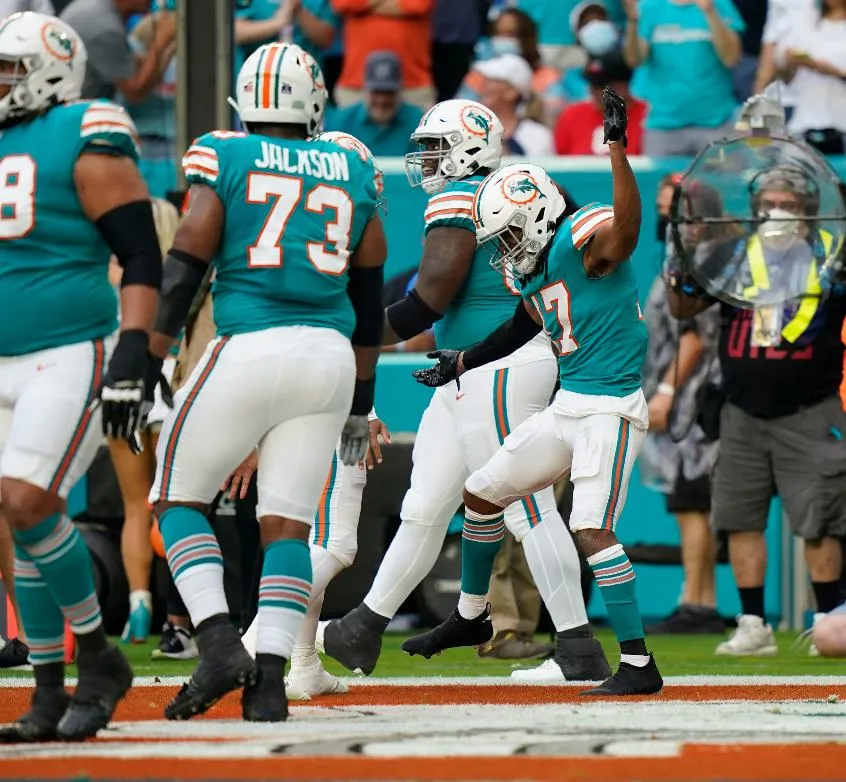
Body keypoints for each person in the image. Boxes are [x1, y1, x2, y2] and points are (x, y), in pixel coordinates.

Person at [319, 98, 611, 685]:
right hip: (471, 371)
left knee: (527, 507)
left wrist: (345, 329)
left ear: (469, 146)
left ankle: (579, 647)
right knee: (424, 506)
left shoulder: (462, 197)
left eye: (434, 148)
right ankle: (366, 625)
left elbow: (427, 299)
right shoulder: (527, 187)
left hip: (499, 368)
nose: (426, 161)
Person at [146, 41, 385, 723]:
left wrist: (147, 354)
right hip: (332, 359)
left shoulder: (225, 153)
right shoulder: (351, 164)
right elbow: (368, 297)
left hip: (251, 341)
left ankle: (221, 642)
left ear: (245, 103)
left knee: (173, 496)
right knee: (287, 525)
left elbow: (187, 259)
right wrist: (362, 405)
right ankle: (271, 680)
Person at [403, 89, 664, 697]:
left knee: (592, 531)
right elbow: (524, 321)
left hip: (610, 410)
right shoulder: (539, 261)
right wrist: (463, 360)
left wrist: (618, 149)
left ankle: (637, 664)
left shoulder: (584, 237)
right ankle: (471, 615)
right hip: (569, 406)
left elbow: (627, 229)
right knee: (483, 491)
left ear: (539, 214)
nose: (506, 246)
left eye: (511, 231)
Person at [0, 12, 163, 740]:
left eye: (9, 68)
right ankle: (46, 690)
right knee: (20, 520)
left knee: (27, 502)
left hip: (70, 347)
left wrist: (135, 350)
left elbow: (140, 252)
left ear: (50, 69)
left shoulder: (84, 129)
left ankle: (97, 656)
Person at [236, 129, 391, 702]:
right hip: (329, 400)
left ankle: (301, 660)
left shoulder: (294, 244)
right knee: (333, 541)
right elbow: (354, 334)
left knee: (305, 531)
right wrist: (363, 409)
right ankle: (260, 634)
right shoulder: (344, 246)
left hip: (287, 392)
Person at [667, 165, 846, 656]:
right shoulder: (731, 255)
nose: (777, 212)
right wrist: (680, 262)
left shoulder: (833, 257)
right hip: (741, 408)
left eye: (788, 203)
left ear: (809, 211)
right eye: (769, 202)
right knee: (741, 517)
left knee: (820, 518)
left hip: (812, 406)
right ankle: (752, 624)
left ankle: (827, 621)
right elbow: (685, 309)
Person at [640, 176, 722, 635]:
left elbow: (692, 336)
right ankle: (697, 597)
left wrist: (667, 394)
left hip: (693, 401)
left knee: (692, 502)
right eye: (664, 206)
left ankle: (697, 602)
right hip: (680, 394)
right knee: (690, 502)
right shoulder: (676, 258)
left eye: (678, 207)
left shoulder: (702, 261)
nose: (669, 216)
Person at [107, 197, 180, 646]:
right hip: (173, 383)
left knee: (135, 505)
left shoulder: (116, 272)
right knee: (176, 502)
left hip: (126, 384)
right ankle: (179, 616)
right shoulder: (181, 268)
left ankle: (138, 605)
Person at [324, 51, 425, 157]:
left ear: (400, 90)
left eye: (388, 92)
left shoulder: (419, 124)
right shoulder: (340, 122)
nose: (382, 100)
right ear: (365, 89)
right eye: (376, 92)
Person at [554, 50, 646, 155]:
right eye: (592, 85)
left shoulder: (647, 117)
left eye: (600, 87)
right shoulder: (572, 115)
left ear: (622, 87)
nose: (592, 91)